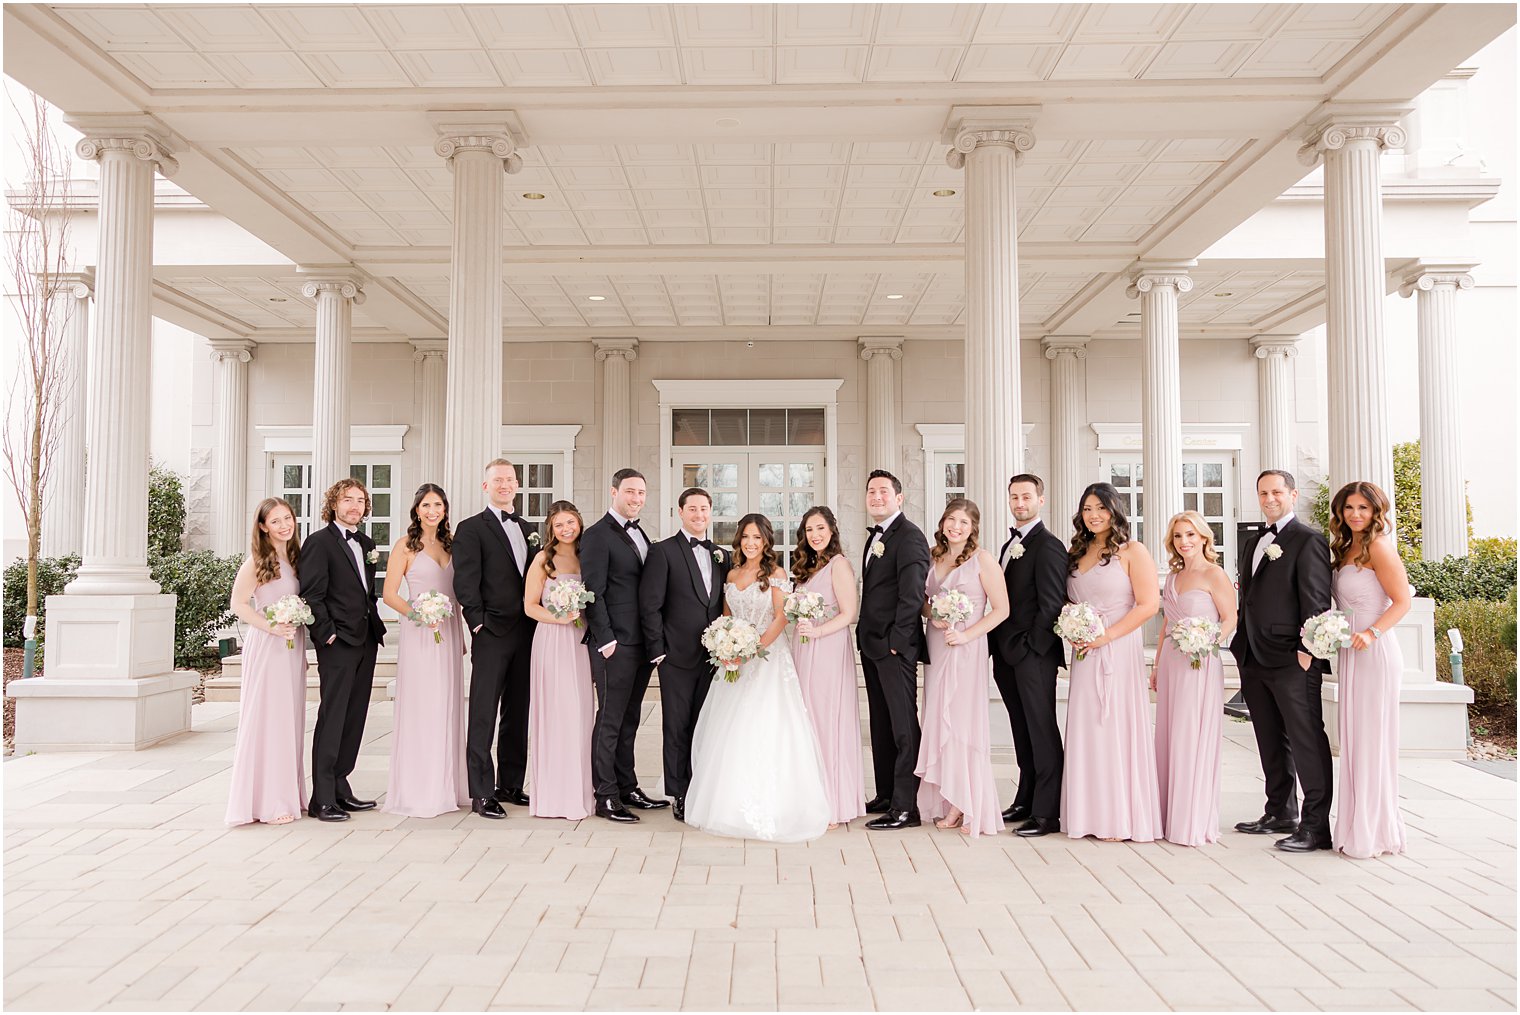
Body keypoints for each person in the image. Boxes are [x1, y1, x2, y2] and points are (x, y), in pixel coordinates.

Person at [685, 514, 831, 842]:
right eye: (746, 537)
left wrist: (752, 649)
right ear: (739, 540)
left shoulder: (776, 574)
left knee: (764, 725)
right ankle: (725, 803)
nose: (751, 543)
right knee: (729, 728)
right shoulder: (733, 573)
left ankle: (774, 802)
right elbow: (726, 615)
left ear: (767, 542)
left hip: (767, 658)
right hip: (734, 659)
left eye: (757, 538)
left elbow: (781, 617)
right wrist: (726, 645)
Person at [1231, 469, 1335, 853]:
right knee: (1270, 738)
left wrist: (1307, 651)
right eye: (1263, 492)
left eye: (1277, 491)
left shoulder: (1308, 540)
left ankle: (1316, 827)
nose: (1269, 498)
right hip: (1253, 655)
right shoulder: (1255, 541)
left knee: (1306, 740)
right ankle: (1280, 811)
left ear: (1292, 494)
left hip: (1293, 658)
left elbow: (1316, 601)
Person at [1061, 483, 1162, 843]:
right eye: (1087, 508)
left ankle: (1119, 817)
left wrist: (1107, 636)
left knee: (1114, 725)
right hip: (1084, 651)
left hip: (1117, 649)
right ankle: (1087, 814)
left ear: (1114, 510)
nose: (1094, 515)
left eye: (1101, 508)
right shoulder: (1078, 550)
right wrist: (1074, 630)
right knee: (1088, 727)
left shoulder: (1133, 551)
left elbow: (1148, 605)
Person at [918, 498, 1010, 839]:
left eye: (963, 522)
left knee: (961, 720)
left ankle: (963, 801)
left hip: (967, 648)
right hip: (938, 645)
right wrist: (935, 616)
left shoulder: (982, 560)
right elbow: (924, 604)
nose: (955, 526)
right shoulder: (932, 555)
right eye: (950, 520)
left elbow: (1001, 609)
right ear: (942, 523)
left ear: (973, 529)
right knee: (937, 714)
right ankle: (944, 793)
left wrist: (967, 634)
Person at [1329, 481, 1411, 859]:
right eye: (1349, 508)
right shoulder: (1345, 547)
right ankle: (1352, 826)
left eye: (1363, 508)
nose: (1355, 514)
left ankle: (1374, 831)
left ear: (1376, 511)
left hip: (1374, 651)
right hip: (1350, 650)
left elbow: (1402, 601)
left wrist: (1372, 632)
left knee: (1372, 738)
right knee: (1354, 738)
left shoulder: (1379, 546)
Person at [580, 469, 668, 822]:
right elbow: (593, 592)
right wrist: (607, 640)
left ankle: (627, 785)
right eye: (630, 491)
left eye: (641, 493)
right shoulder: (598, 535)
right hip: (614, 643)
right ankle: (605, 796)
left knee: (630, 718)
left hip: (640, 644)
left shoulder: (641, 533)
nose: (636, 498)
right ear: (614, 491)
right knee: (611, 719)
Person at [453, 459, 537, 819]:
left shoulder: (529, 527)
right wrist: (477, 623)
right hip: (491, 632)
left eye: (510, 480)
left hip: (528, 631)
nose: (505, 485)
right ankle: (482, 791)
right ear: (485, 486)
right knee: (483, 712)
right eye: (497, 480)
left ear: (517, 485)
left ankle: (511, 784)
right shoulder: (471, 528)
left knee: (518, 711)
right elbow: (465, 581)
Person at [299, 478, 387, 822]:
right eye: (347, 499)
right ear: (333, 505)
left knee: (355, 716)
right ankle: (321, 799)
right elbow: (312, 594)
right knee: (332, 716)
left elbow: (365, 592)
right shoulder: (319, 543)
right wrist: (327, 635)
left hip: (366, 638)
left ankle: (340, 785)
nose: (354, 505)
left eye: (360, 500)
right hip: (338, 643)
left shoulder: (366, 542)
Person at [640, 487, 729, 823]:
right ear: (680, 512)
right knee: (676, 727)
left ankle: (702, 787)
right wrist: (658, 651)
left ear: (711, 512)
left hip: (715, 657)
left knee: (705, 725)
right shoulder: (662, 552)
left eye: (704, 509)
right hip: (675, 656)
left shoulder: (721, 554)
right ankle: (679, 793)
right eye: (692, 509)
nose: (699, 515)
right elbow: (650, 605)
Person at [380, 484, 468, 819]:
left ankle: (449, 784)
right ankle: (421, 789)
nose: (433, 511)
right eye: (427, 505)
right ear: (417, 509)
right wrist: (419, 614)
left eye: (439, 505)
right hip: (420, 632)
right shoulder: (405, 546)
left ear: (445, 509)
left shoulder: (451, 544)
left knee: (447, 705)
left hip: (448, 630)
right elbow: (390, 594)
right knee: (424, 705)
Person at [990, 474, 1069, 838]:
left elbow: (1052, 603)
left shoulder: (1049, 546)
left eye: (1026, 496)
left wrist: (1030, 648)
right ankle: (1025, 798)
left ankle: (1047, 812)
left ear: (1041, 500)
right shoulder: (1011, 543)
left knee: (1041, 729)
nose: (1019, 503)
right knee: (1021, 729)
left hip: (1032, 655)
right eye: (1014, 497)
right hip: (1006, 655)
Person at [1151, 511, 1236, 847]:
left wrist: (1208, 642)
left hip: (1200, 662)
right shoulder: (1172, 578)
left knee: (1192, 734)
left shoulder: (1215, 575)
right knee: (1170, 733)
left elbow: (1231, 618)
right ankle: (1169, 814)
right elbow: (1166, 626)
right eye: (1177, 537)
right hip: (1173, 661)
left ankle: (1193, 818)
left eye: (1189, 535)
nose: (1183, 542)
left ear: (1203, 537)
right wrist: (1157, 666)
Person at [225, 498, 308, 826]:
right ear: (263, 527)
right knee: (270, 720)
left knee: (289, 719)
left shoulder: (295, 557)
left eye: (287, 518)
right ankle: (270, 802)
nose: (284, 525)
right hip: (268, 644)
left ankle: (290, 793)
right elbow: (239, 603)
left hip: (292, 645)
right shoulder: (257, 561)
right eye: (276, 521)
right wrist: (271, 626)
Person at [857, 469, 931, 831]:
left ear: (899, 498)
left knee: (903, 726)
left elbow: (913, 596)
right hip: (871, 644)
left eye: (883, 491)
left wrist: (897, 646)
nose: (876, 496)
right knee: (881, 723)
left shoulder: (911, 538)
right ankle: (886, 793)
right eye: (871, 491)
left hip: (893, 648)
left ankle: (906, 807)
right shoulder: (876, 537)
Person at [789, 506, 864, 829]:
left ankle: (832, 803)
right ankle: (807, 798)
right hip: (803, 648)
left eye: (820, 528)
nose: (815, 535)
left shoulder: (839, 565)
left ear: (832, 531)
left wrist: (817, 631)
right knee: (805, 721)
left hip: (828, 648)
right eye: (809, 530)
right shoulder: (807, 567)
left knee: (825, 720)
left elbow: (848, 613)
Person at [523, 501, 597, 821]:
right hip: (552, 641)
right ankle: (553, 796)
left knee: (580, 713)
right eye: (559, 524)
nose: (566, 529)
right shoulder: (543, 559)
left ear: (579, 523)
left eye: (571, 522)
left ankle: (579, 792)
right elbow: (529, 605)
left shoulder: (587, 556)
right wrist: (559, 616)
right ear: (550, 529)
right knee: (555, 712)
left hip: (580, 643)